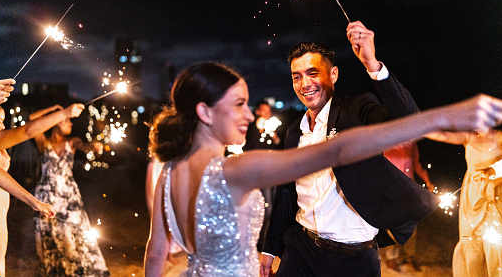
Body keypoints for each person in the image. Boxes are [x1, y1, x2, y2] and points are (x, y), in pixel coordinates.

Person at [143, 60, 502, 276]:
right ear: (205, 112)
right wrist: (443, 116)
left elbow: (156, 251)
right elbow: (341, 149)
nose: (250, 114)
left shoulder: (168, 172)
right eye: (238, 104)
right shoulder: (234, 171)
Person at [260, 21, 435, 277]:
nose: (304, 83)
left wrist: (372, 64)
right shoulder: (295, 131)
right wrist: (270, 248)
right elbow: (286, 192)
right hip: (300, 249)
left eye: (313, 73)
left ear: (333, 75)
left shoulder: (357, 111)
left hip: (354, 259)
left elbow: (411, 123)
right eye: (297, 77)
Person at [31, 104, 109, 277]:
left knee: (76, 233)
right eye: (67, 121)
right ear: (57, 122)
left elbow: (84, 146)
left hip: (69, 198)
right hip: (46, 197)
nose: (71, 124)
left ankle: (78, 271)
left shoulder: (71, 141)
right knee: (49, 237)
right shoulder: (44, 143)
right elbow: (32, 120)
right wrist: (53, 110)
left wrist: (93, 146)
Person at [427, 129, 502, 276]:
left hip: (493, 196)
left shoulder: (499, 137)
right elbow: (442, 136)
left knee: (495, 247)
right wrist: (416, 125)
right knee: (472, 246)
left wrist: (495, 182)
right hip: (472, 196)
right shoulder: (468, 137)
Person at [0, 105, 56, 276]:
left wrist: (34, 202)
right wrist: (63, 113)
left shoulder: (1, 145)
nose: (3, 125)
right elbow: (28, 130)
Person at [382, 141, 434, 272]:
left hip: (409, 188)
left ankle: (409, 257)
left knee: (412, 224)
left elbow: (416, 164)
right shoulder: (389, 140)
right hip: (392, 188)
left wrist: (427, 181)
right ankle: (391, 258)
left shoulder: (412, 143)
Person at [243, 100, 282, 252]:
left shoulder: (270, 127)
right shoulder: (254, 127)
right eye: (263, 111)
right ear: (258, 112)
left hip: (272, 171)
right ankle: (256, 240)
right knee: (263, 207)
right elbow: (249, 144)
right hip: (257, 173)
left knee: (271, 207)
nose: (267, 114)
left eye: (268, 111)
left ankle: (263, 241)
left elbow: (278, 142)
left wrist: (273, 134)